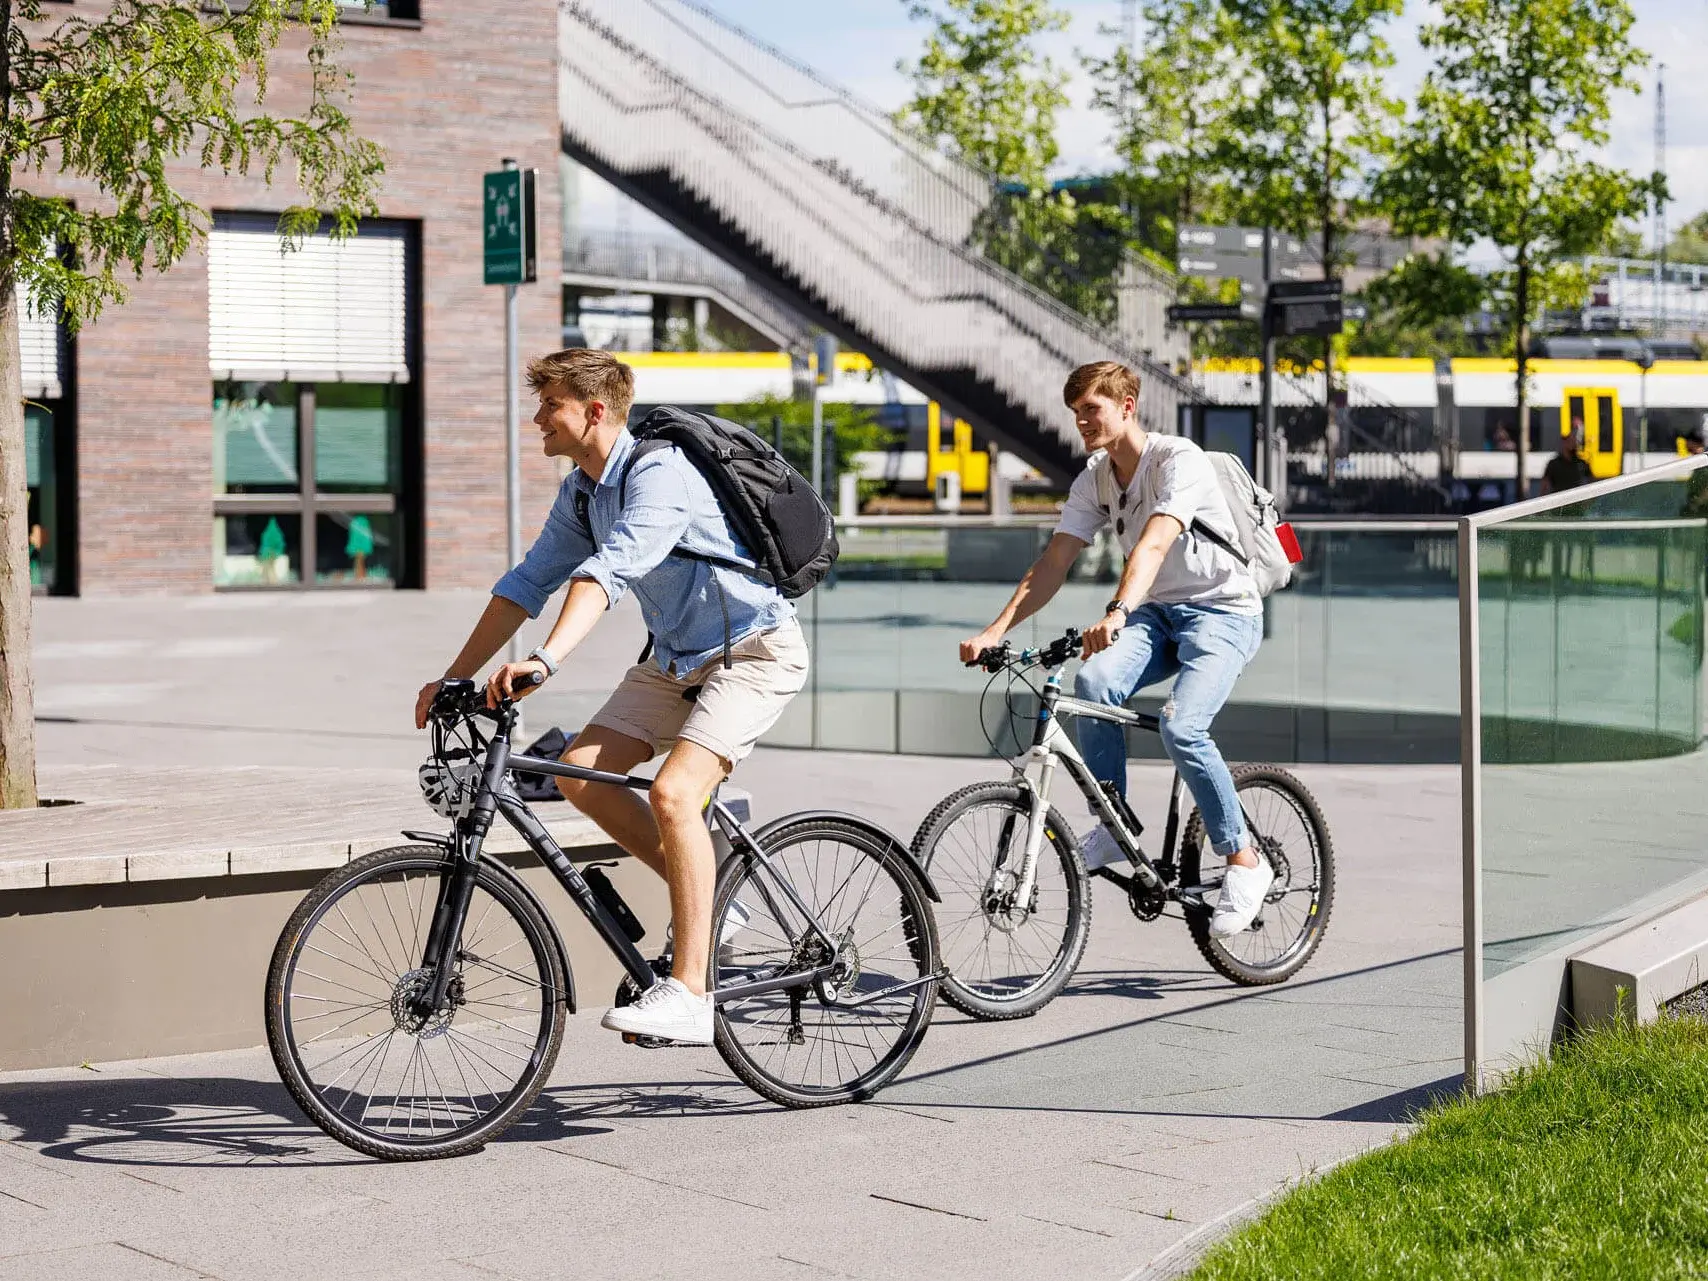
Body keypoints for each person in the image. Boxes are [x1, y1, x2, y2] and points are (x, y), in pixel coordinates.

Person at [414, 349, 808, 1045]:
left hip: (753, 651)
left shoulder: (660, 473)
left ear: (595, 411)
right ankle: (717, 898)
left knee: (674, 794)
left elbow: (610, 570)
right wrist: (454, 677)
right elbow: (527, 583)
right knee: (579, 771)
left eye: (551, 405)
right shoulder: (583, 492)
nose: (538, 417)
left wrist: (543, 661)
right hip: (678, 660)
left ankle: (690, 992)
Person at [958, 361, 1272, 939]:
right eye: (1075, 411)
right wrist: (996, 630)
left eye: (1091, 409)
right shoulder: (1096, 479)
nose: (1081, 420)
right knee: (1094, 685)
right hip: (1159, 614)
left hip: (1223, 612)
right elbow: (1054, 561)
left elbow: (1153, 543)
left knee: (1183, 727)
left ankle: (1244, 860)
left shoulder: (1179, 461)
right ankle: (1112, 819)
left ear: (1127, 407)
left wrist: (1118, 612)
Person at [1540, 421, 1593, 496]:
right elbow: (1544, 487)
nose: (1574, 442)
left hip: (1577, 503)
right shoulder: (1553, 464)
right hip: (1559, 503)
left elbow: (1591, 486)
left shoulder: (1582, 464)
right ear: (1564, 441)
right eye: (1570, 439)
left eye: (1576, 439)